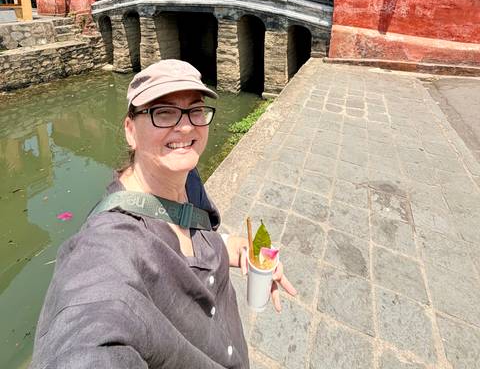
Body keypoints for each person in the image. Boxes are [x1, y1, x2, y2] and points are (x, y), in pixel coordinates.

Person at [30, 59, 296, 368]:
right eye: (163, 112)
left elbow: (200, 241)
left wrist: (238, 249)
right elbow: (85, 330)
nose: (186, 126)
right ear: (130, 130)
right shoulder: (110, 245)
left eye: (195, 110)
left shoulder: (189, 181)